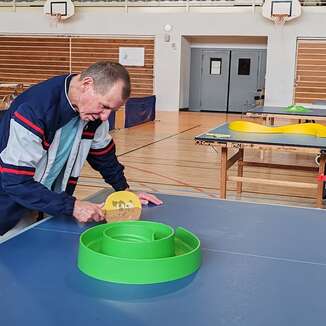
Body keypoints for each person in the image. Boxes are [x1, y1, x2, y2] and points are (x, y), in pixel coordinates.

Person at [0, 61, 162, 236]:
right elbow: (15, 182)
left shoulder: (93, 115)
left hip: (45, 204)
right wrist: (73, 206)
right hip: (8, 207)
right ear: (87, 84)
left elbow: (104, 156)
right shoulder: (35, 110)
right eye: (104, 106)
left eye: (112, 110)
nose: (106, 116)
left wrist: (125, 192)